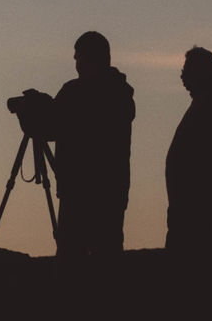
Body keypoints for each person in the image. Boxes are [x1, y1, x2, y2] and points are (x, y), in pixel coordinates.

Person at [22, 31, 135, 256]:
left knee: (72, 260)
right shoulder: (121, 93)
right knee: (108, 256)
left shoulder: (75, 92)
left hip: (78, 194)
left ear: (88, 57)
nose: (76, 65)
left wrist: (31, 113)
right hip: (112, 193)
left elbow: (49, 129)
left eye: (78, 58)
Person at [165, 46, 212, 251]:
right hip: (189, 204)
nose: (182, 75)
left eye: (187, 70)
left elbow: (207, 156)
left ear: (200, 72)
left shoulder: (210, 104)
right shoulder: (208, 101)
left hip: (194, 206)